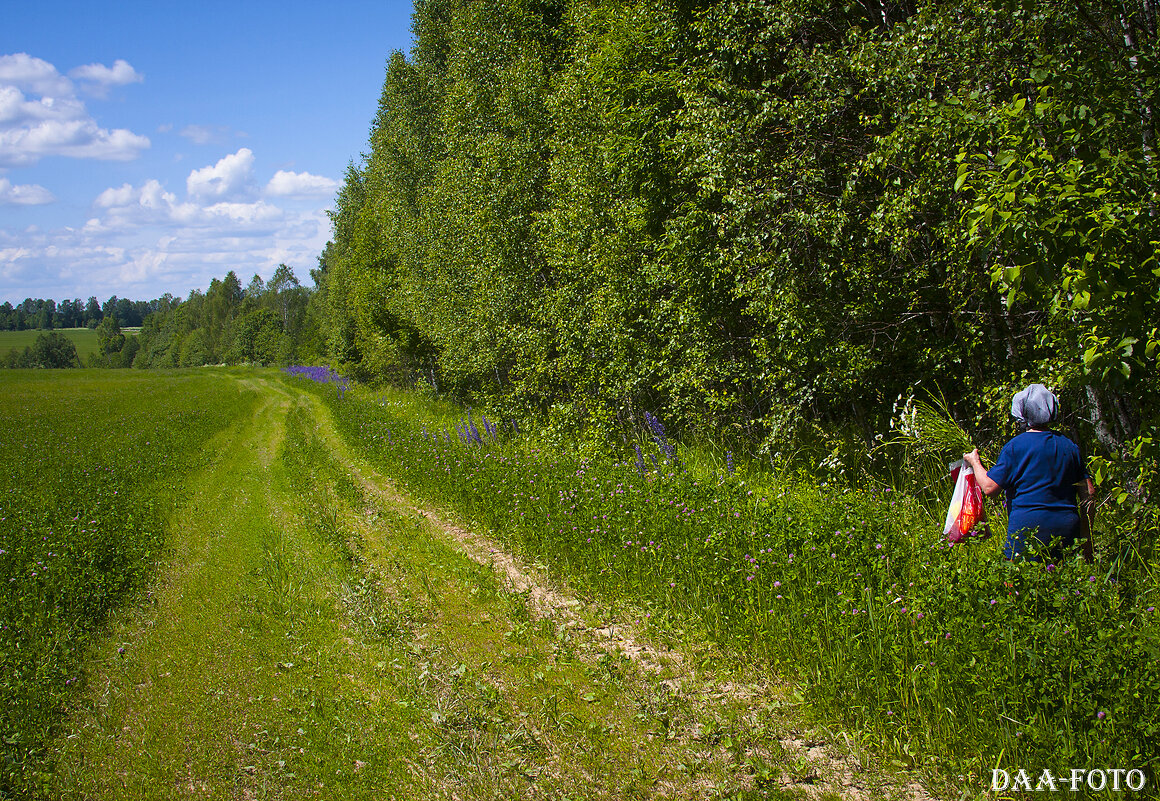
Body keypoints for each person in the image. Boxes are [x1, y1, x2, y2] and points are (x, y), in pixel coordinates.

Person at [963, 384, 1096, 561]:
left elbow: (989, 488)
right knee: (1063, 583)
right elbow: (1089, 493)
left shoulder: (1015, 446)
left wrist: (974, 461)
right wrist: (1086, 538)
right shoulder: (1069, 446)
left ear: (1023, 415)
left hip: (1027, 530)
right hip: (1067, 529)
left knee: (1017, 584)